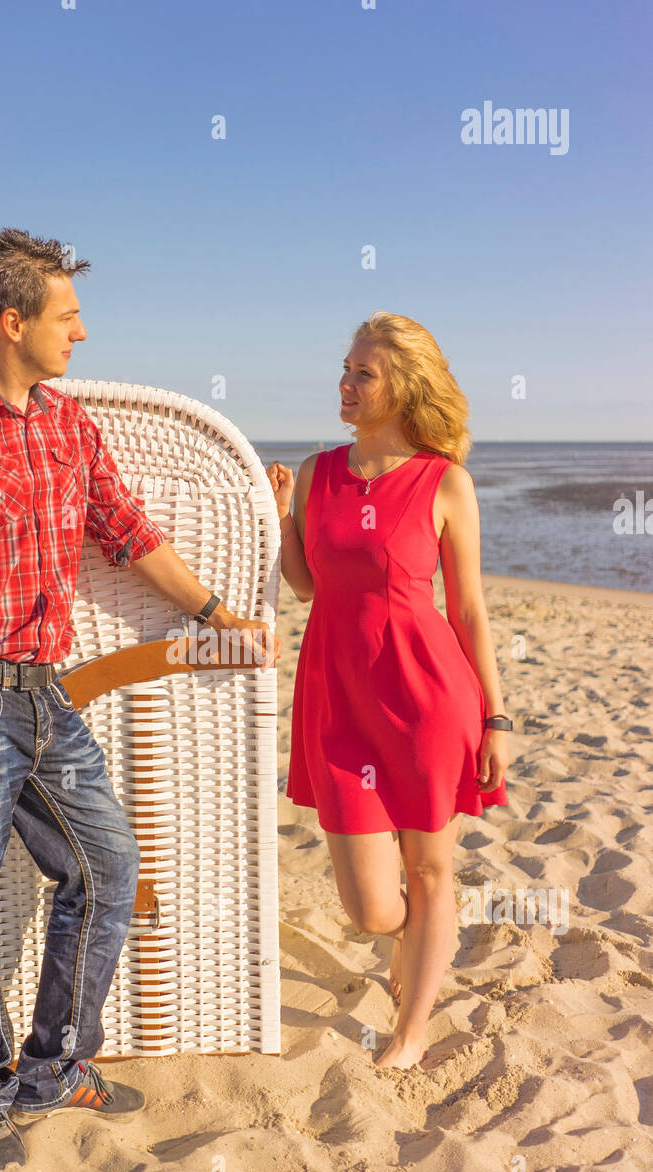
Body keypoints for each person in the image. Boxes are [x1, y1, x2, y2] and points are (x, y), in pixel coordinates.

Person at [0, 227, 279, 1172]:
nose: (82, 333)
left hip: (46, 696)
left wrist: (221, 615)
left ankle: (54, 1066)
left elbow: (131, 534)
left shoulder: (65, 424)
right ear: (12, 323)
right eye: (69, 315)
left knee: (107, 869)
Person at [266, 312, 509, 1071]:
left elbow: (469, 609)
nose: (345, 382)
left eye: (362, 373)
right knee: (372, 907)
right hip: (338, 698)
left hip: (428, 696)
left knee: (432, 871)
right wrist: (280, 523)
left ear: (402, 385)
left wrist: (496, 716)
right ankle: (411, 936)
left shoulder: (446, 483)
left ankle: (413, 1028)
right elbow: (309, 587)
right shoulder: (318, 473)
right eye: (345, 368)